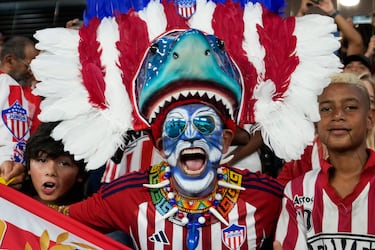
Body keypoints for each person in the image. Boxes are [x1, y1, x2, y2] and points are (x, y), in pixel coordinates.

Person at [30, 0, 341, 248]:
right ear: (163, 145)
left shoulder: (266, 196)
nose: (191, 136)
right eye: (176, 128)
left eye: (205, 125)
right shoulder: (126, 194)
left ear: (225, 138)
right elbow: (47, 220)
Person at [275, 72, 375, 249]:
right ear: (316, 121)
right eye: (326, 109)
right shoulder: (297, 191)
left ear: (369, 119)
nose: (337, 115)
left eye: (350, 107)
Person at [0, 36, 38, 188]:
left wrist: (9, 161)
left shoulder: (8, 85)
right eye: (28, 66)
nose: (31, 72)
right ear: (10, 60)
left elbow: (13, 140)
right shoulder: (6, 84)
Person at [21, 122, 87, 206]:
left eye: (63, 163)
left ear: (80, 174)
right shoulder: (9, 201)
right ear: (29, 167)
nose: (50, 171)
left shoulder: (86, 215)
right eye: (42, 160)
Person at [296, 0, 364, 58]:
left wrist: (332, 11)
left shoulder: (338, 45)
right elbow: (292, 38)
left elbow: (356, 42)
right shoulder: (304, 47)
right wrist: (302, 11)